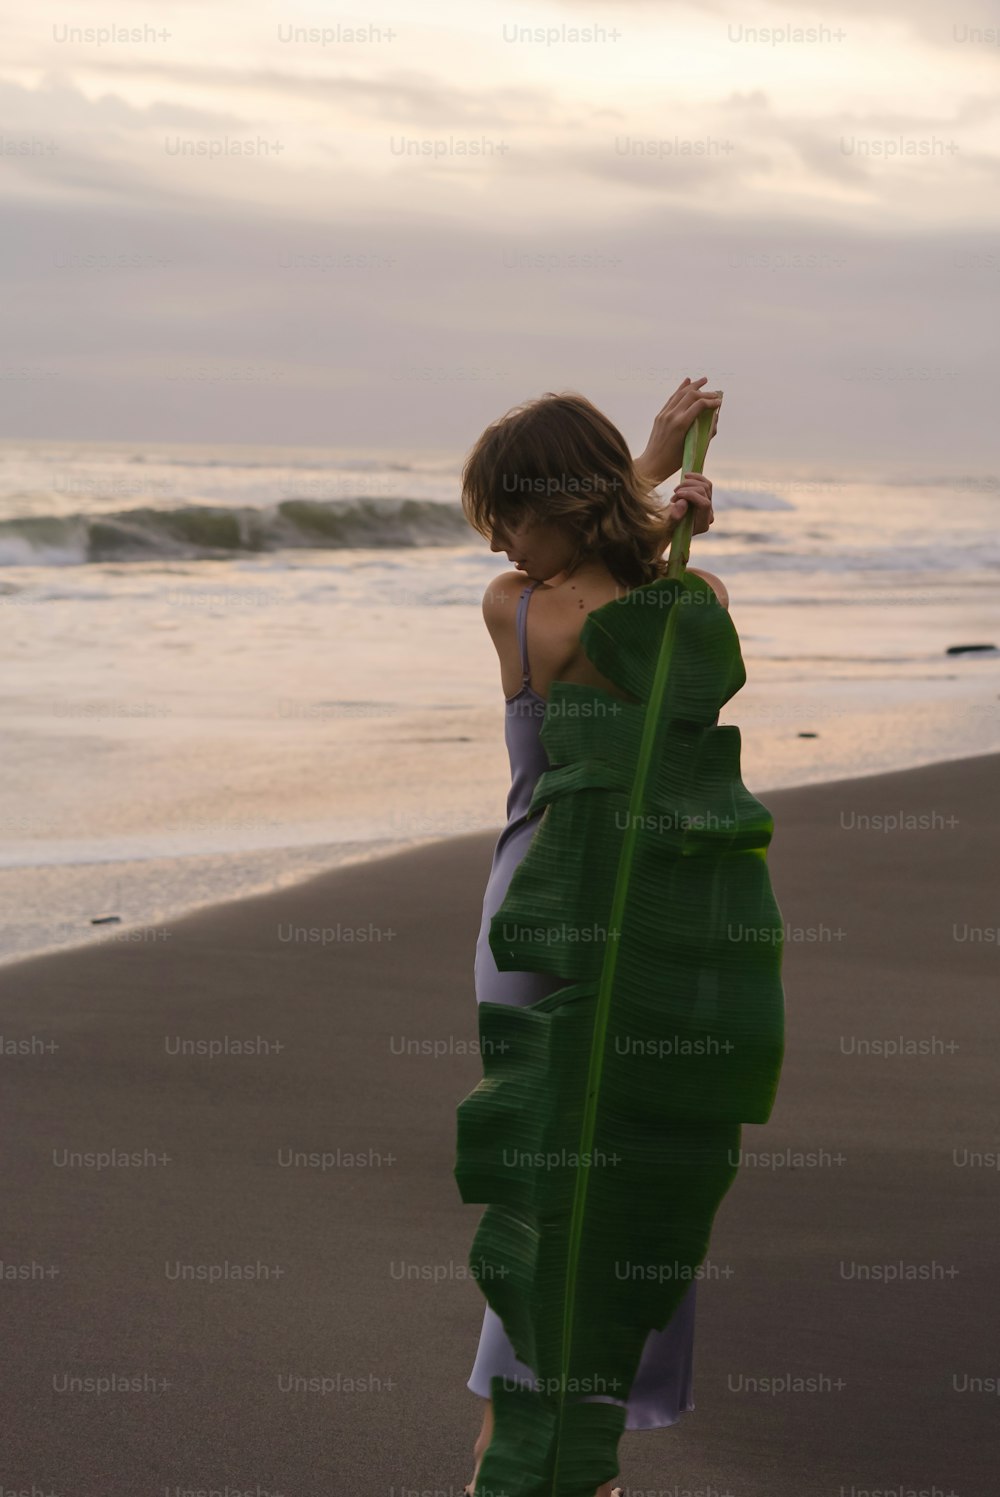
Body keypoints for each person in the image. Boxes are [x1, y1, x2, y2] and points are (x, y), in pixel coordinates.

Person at [458, 378, 724, 1497]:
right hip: (595, 916)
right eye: (498, 519)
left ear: (562, 506)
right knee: (588, 1181)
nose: (503, 540)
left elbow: (652, 661)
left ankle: (556, 1461)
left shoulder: (553, 602)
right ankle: (524, 1457)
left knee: (580, 1185)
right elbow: (649, 638)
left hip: (580, 908)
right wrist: (662, 510)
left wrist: (650, 492)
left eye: (515, 512)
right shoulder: (545, 603)